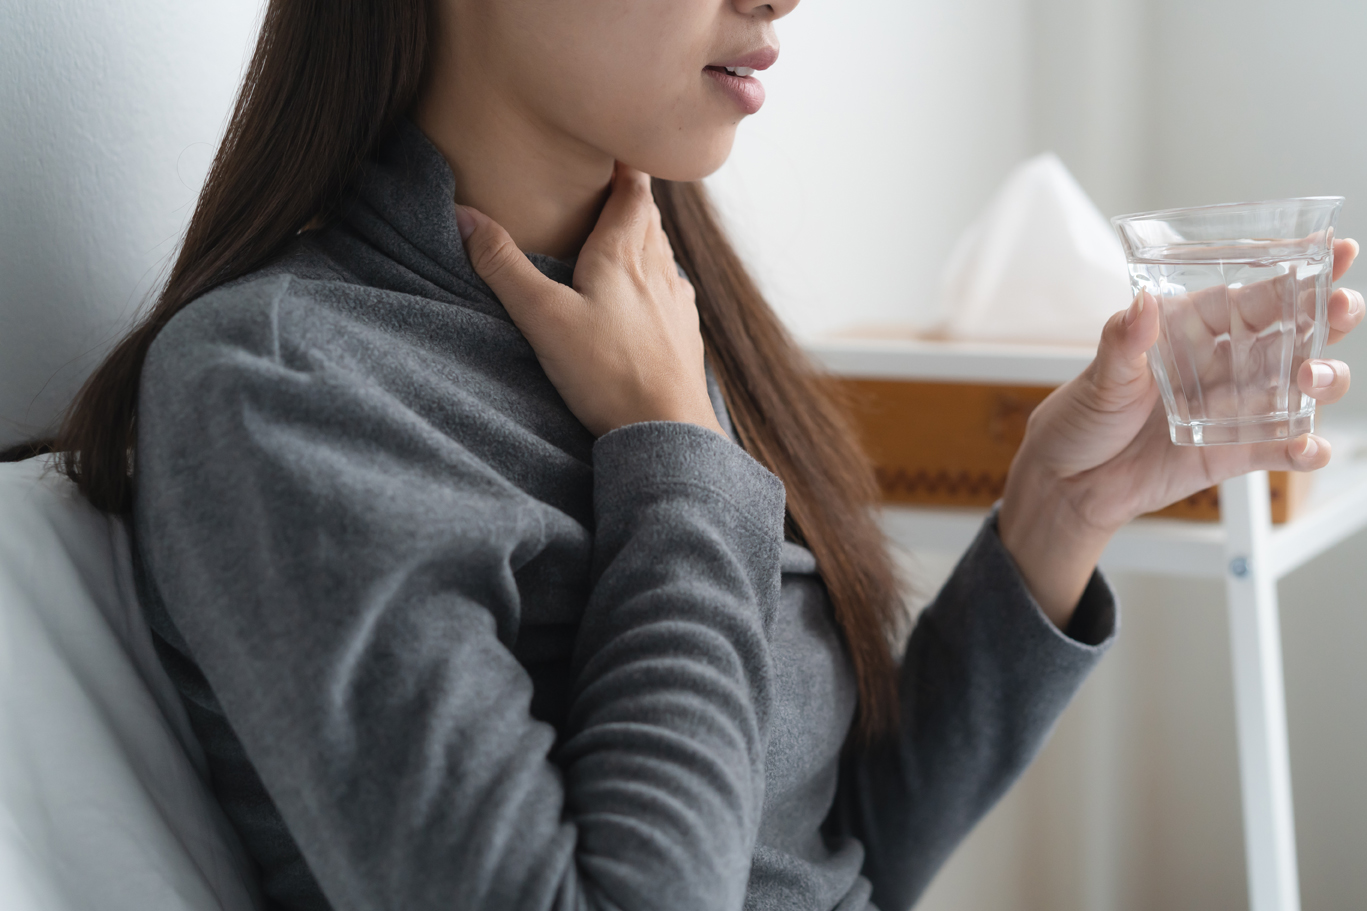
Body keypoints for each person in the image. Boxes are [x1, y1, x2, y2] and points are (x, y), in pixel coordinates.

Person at [22, 1, 1360, 909]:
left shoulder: (655, 300)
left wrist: (1057, 518)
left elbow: (829, 859)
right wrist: (669, 454)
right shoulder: (280, 388)